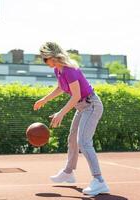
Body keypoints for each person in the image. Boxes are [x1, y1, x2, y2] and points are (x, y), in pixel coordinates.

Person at [33, 42, 109, 196]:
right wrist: (44, 99)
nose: (43, 61)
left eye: (44, 58)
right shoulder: (58, 70)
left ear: (51, 56)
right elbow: (61, 88)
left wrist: (61, 113)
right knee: (72, 139)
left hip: (91, 105)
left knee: (84, 142)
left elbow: (75, 95)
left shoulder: (69, 70)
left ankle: (99, 181)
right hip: (82, 107)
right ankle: (68, 173)